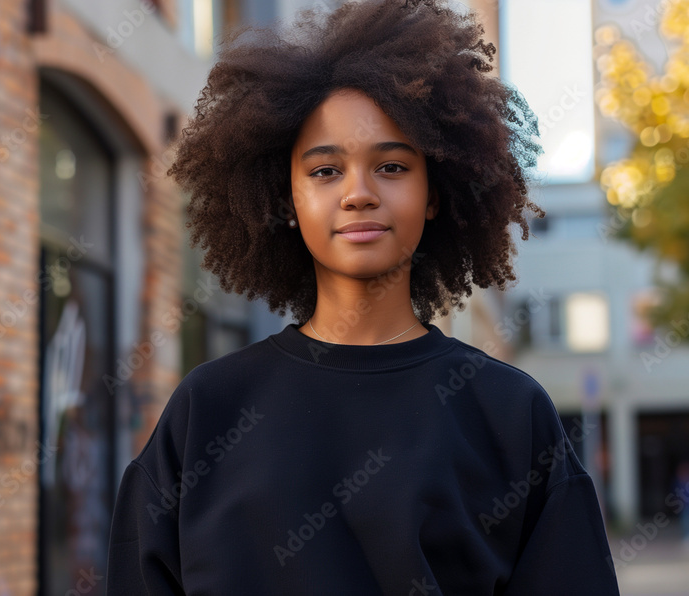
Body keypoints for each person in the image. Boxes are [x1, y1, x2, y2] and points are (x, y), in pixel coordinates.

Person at [106, 0, 621, 593]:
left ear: (435, 193)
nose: (358, 194)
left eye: (393, 167)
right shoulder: (207, 412)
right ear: (286, 199)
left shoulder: (509, 414)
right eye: (325, 171)